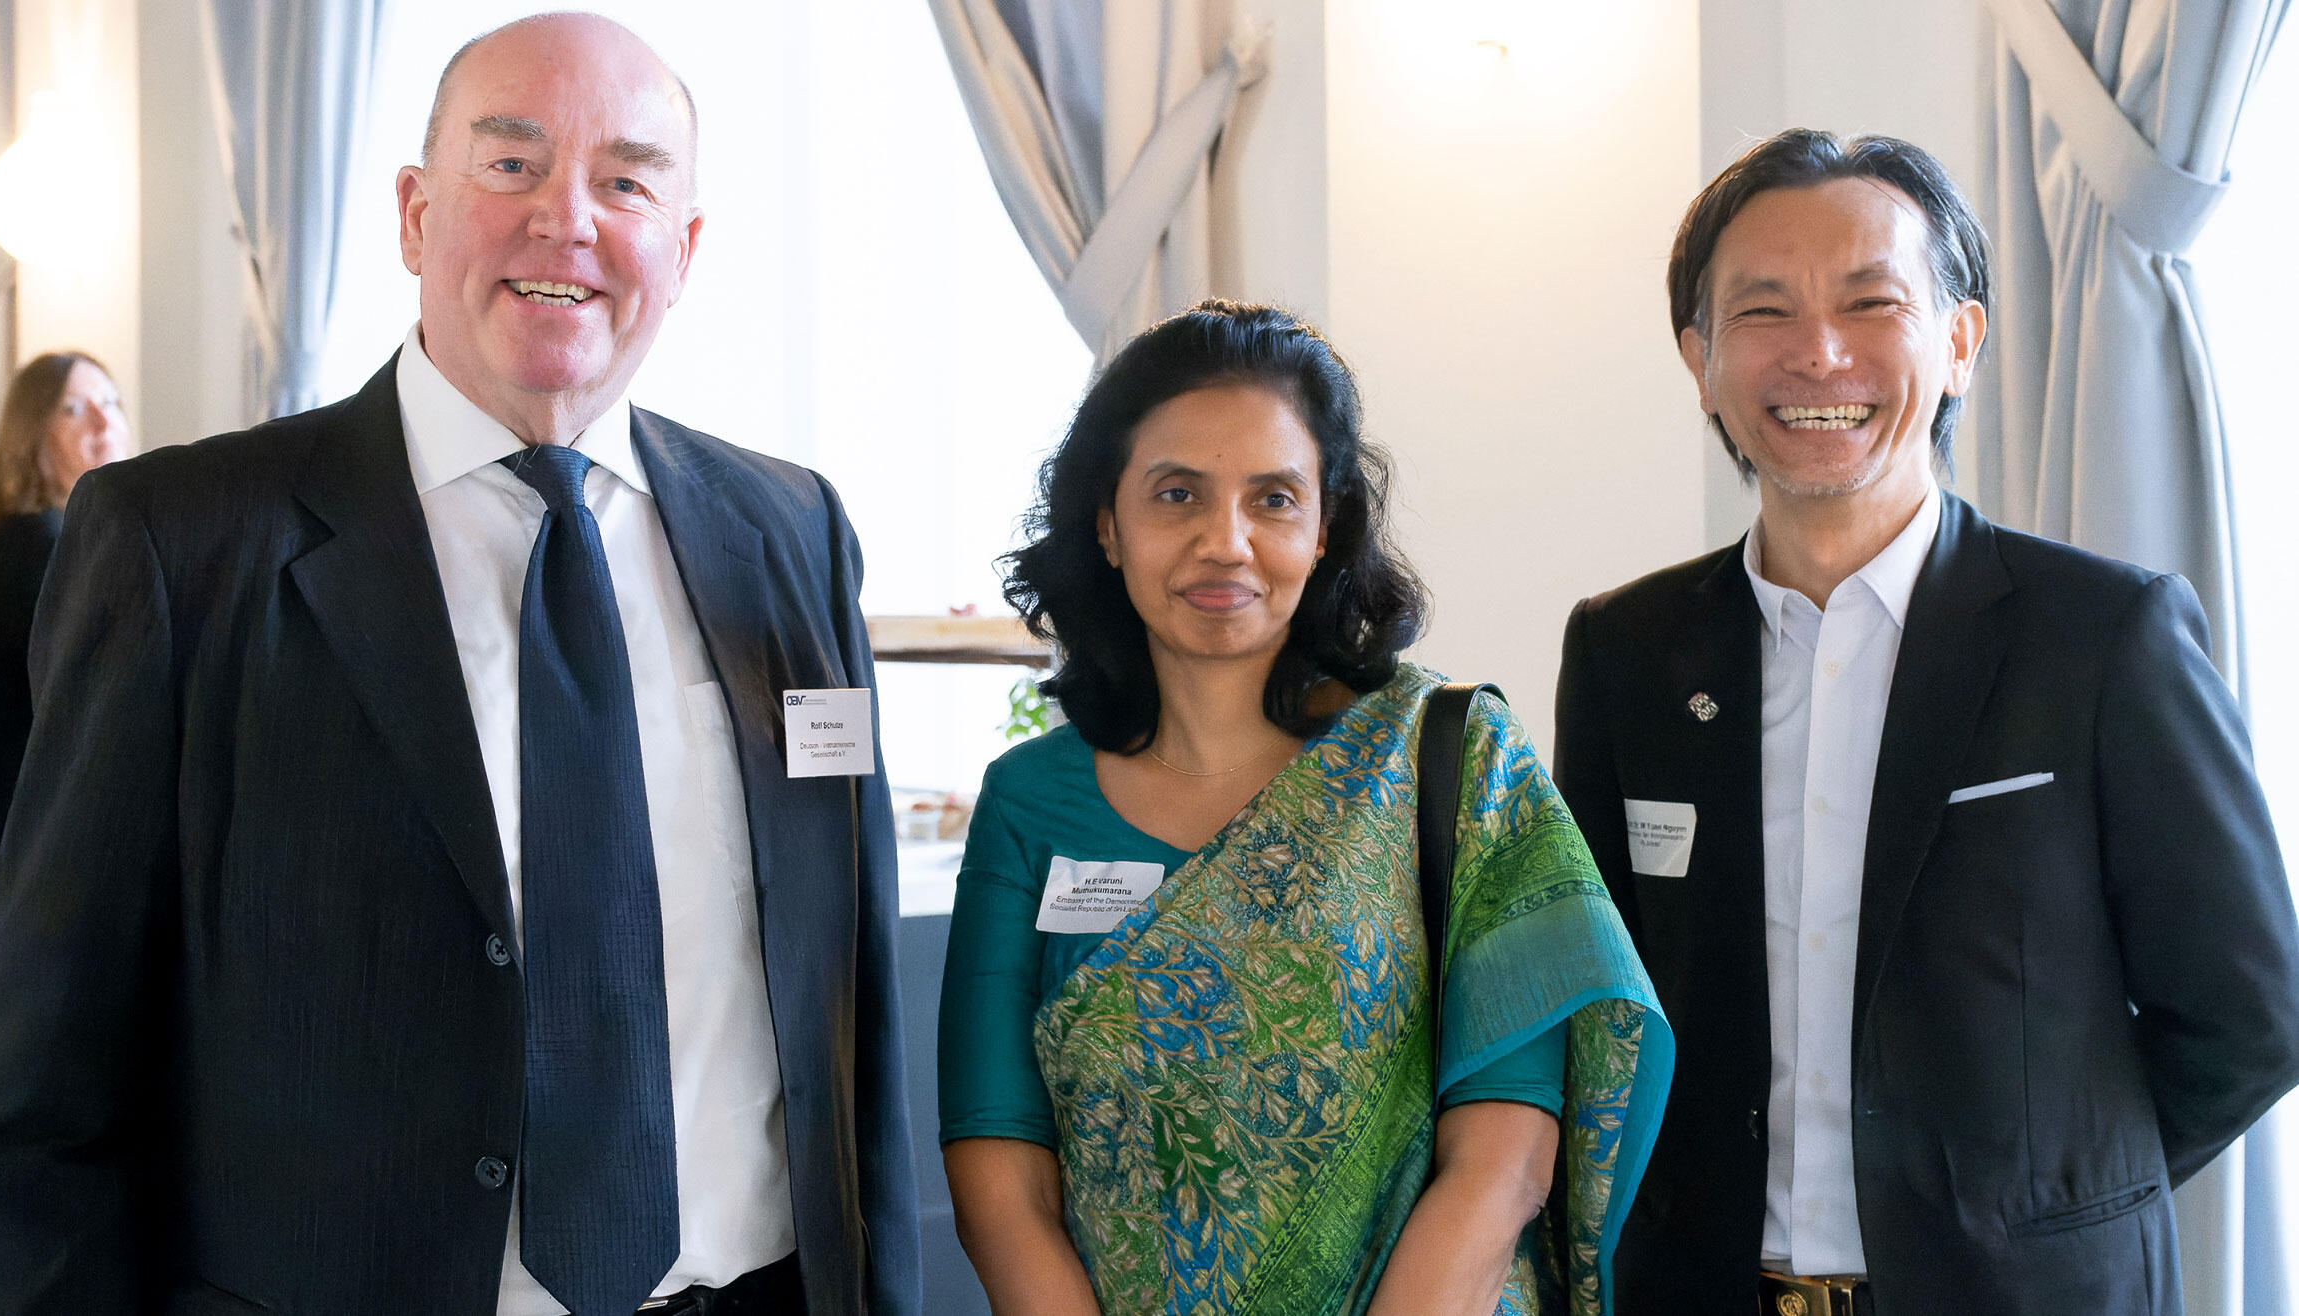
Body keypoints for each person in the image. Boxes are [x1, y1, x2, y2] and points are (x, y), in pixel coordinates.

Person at [0, 15, 918, 1316]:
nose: (566, 221)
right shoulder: (180, 548)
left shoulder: (789, 531)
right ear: (415, 216)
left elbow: (845, 1020)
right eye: (511, 165)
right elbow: (44, 1097)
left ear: (685, 250)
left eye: (626, 180)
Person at [1553, 128, 2299, 1315]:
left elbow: (2252, 1012)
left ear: (1959, 341)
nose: (1820, 354)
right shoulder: (1626, 650)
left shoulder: (2103, 635)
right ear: (1700, 359)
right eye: (1763, 312)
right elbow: (1595, 1000)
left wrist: (2047, 1201)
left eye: (1870, 301)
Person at [939, 300, 1672, 1314]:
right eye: (1178, 493)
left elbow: (1506, 1153)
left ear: (1325, 527)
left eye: (1272, 498)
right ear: (1108, 523)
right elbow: (999, 1164)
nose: (1225, 542)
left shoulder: (1445, 763)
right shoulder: (1030, 801)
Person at [0, 351, 132, 1072]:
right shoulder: (34, 545)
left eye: (111, 401)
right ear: (31, 435)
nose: (102, 419)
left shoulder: (73, 540)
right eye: (72, 407)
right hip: (13, 860)